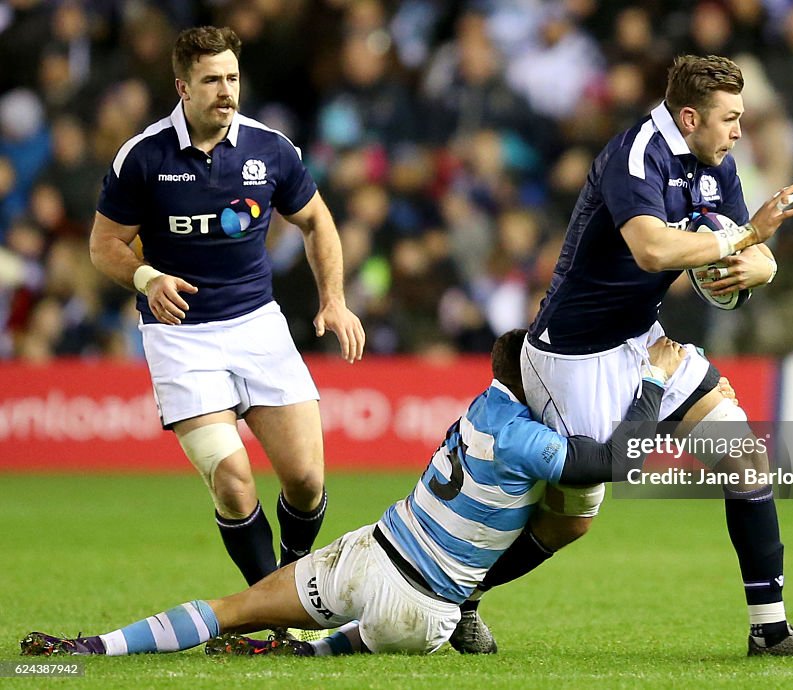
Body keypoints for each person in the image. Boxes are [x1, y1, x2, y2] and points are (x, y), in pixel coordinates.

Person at [457, 54, 793, 657]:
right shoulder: (636, 154)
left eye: (742, 117)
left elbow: (744, 251)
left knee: (744, 458)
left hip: (645, 339)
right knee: (573, 518)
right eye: (729, 119)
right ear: (689, 117)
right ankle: (458, 596)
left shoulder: (716, 165)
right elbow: (651, 250)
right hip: (574, 355)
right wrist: (744, 241)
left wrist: (761, 265)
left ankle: (769, 631)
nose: (739, 131)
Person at [21, 331, 683, 657]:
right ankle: (304, 651)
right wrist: (650, 382)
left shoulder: (479, 409)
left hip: (370, 551)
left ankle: (94, 649)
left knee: (233, 607)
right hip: (421, 607)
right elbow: (616, 459)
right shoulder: (526, 439)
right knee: (311, 656)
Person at [88, 27, 365, 589]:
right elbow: (104, 245)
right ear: (182, 88)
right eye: (211, 79)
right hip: (180, 336)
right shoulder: (142, 157)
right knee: (234, 480)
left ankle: (291, 578)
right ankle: (272, 606)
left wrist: (333, 300)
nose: (226, 90)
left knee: (307, 480)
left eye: (232, 77)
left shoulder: (270, 149)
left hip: (258, 326)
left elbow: (316, 220)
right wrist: (147, 277)